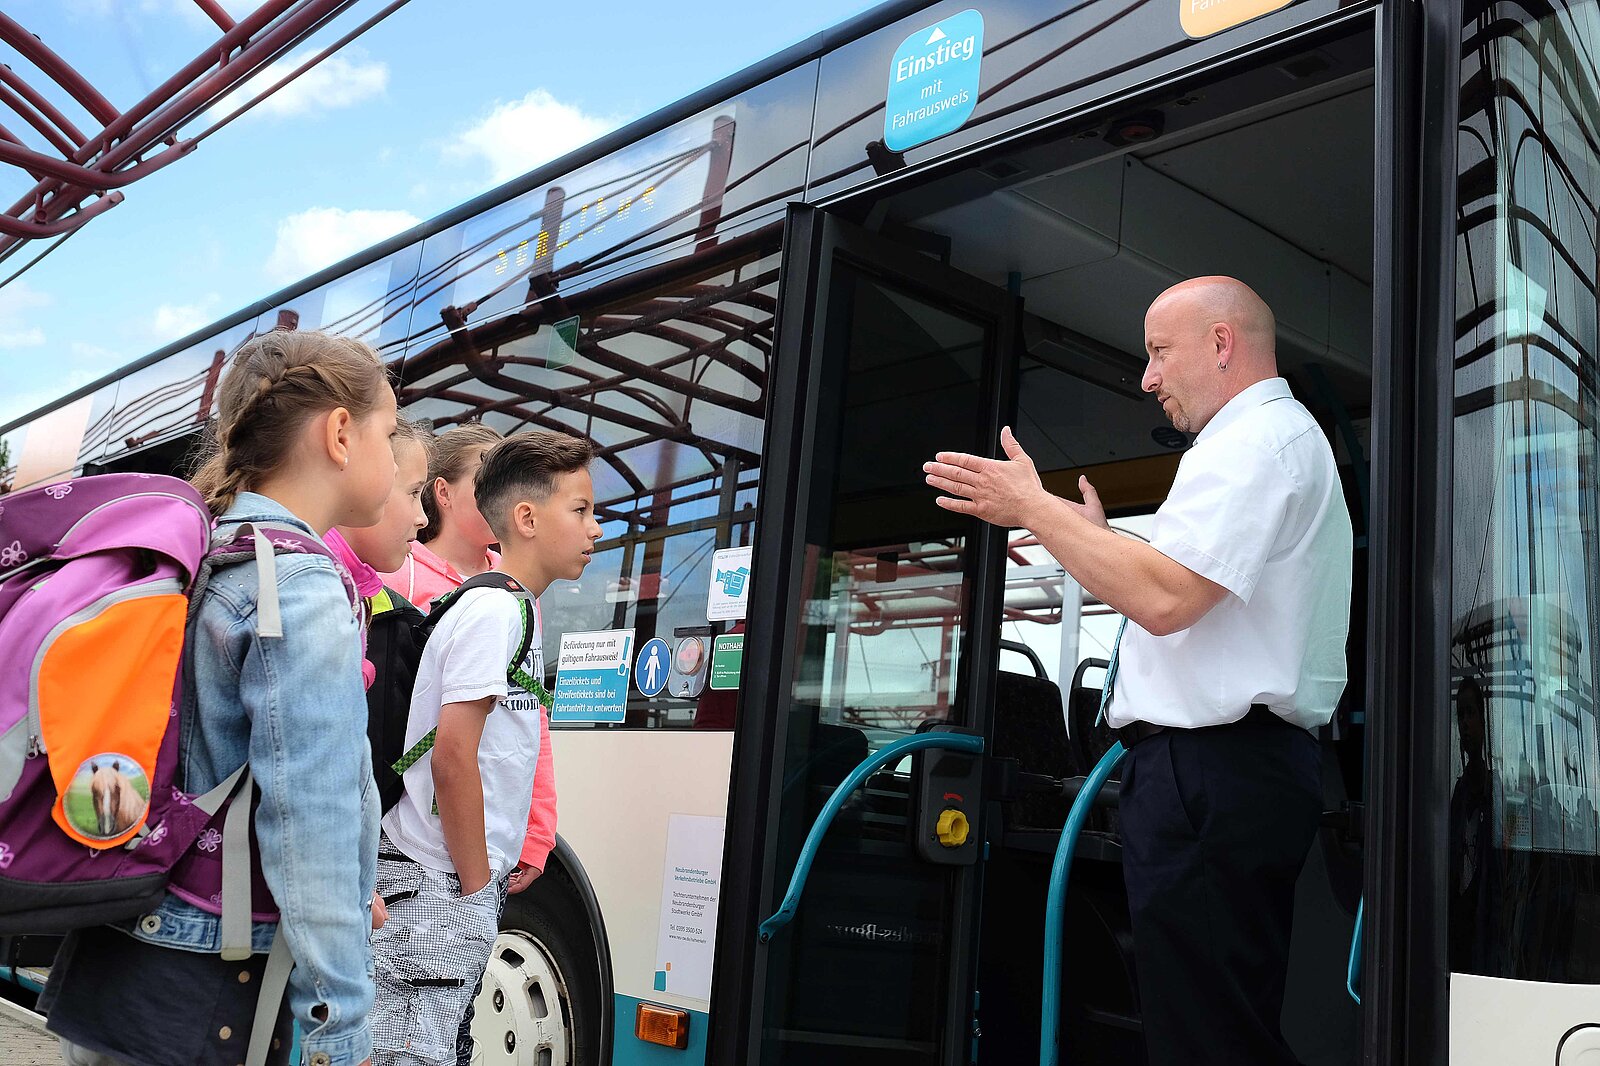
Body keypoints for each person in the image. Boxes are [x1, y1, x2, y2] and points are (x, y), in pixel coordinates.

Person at [923, 276, 1352, 1066]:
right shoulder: (1272, 441)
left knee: (1207, 1040)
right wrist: (1088, 539)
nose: (1147, 377)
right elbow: (1170, 588)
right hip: (1228, 773)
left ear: (1222, 344)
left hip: (1214, 773)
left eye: (1159, 351)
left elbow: (1164, 597)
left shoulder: (1254, 443)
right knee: (1213, 1024)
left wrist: (1034, 507)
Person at [41, 331, 396, 1066]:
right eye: (388, 435)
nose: (395, 463)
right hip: (208, 978)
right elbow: (313, 815)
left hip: (124, 945)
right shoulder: (298, 585)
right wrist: (342, 1026)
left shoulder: (198, 548)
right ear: (339, 433)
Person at [370, 431, 602, 1066]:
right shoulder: (494, 614)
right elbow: (453, 755)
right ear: (525, 519)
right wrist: (477, 887)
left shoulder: (510, 609)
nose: (596, 529)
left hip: (449, 880)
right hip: (438, 882)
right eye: (580, 510)